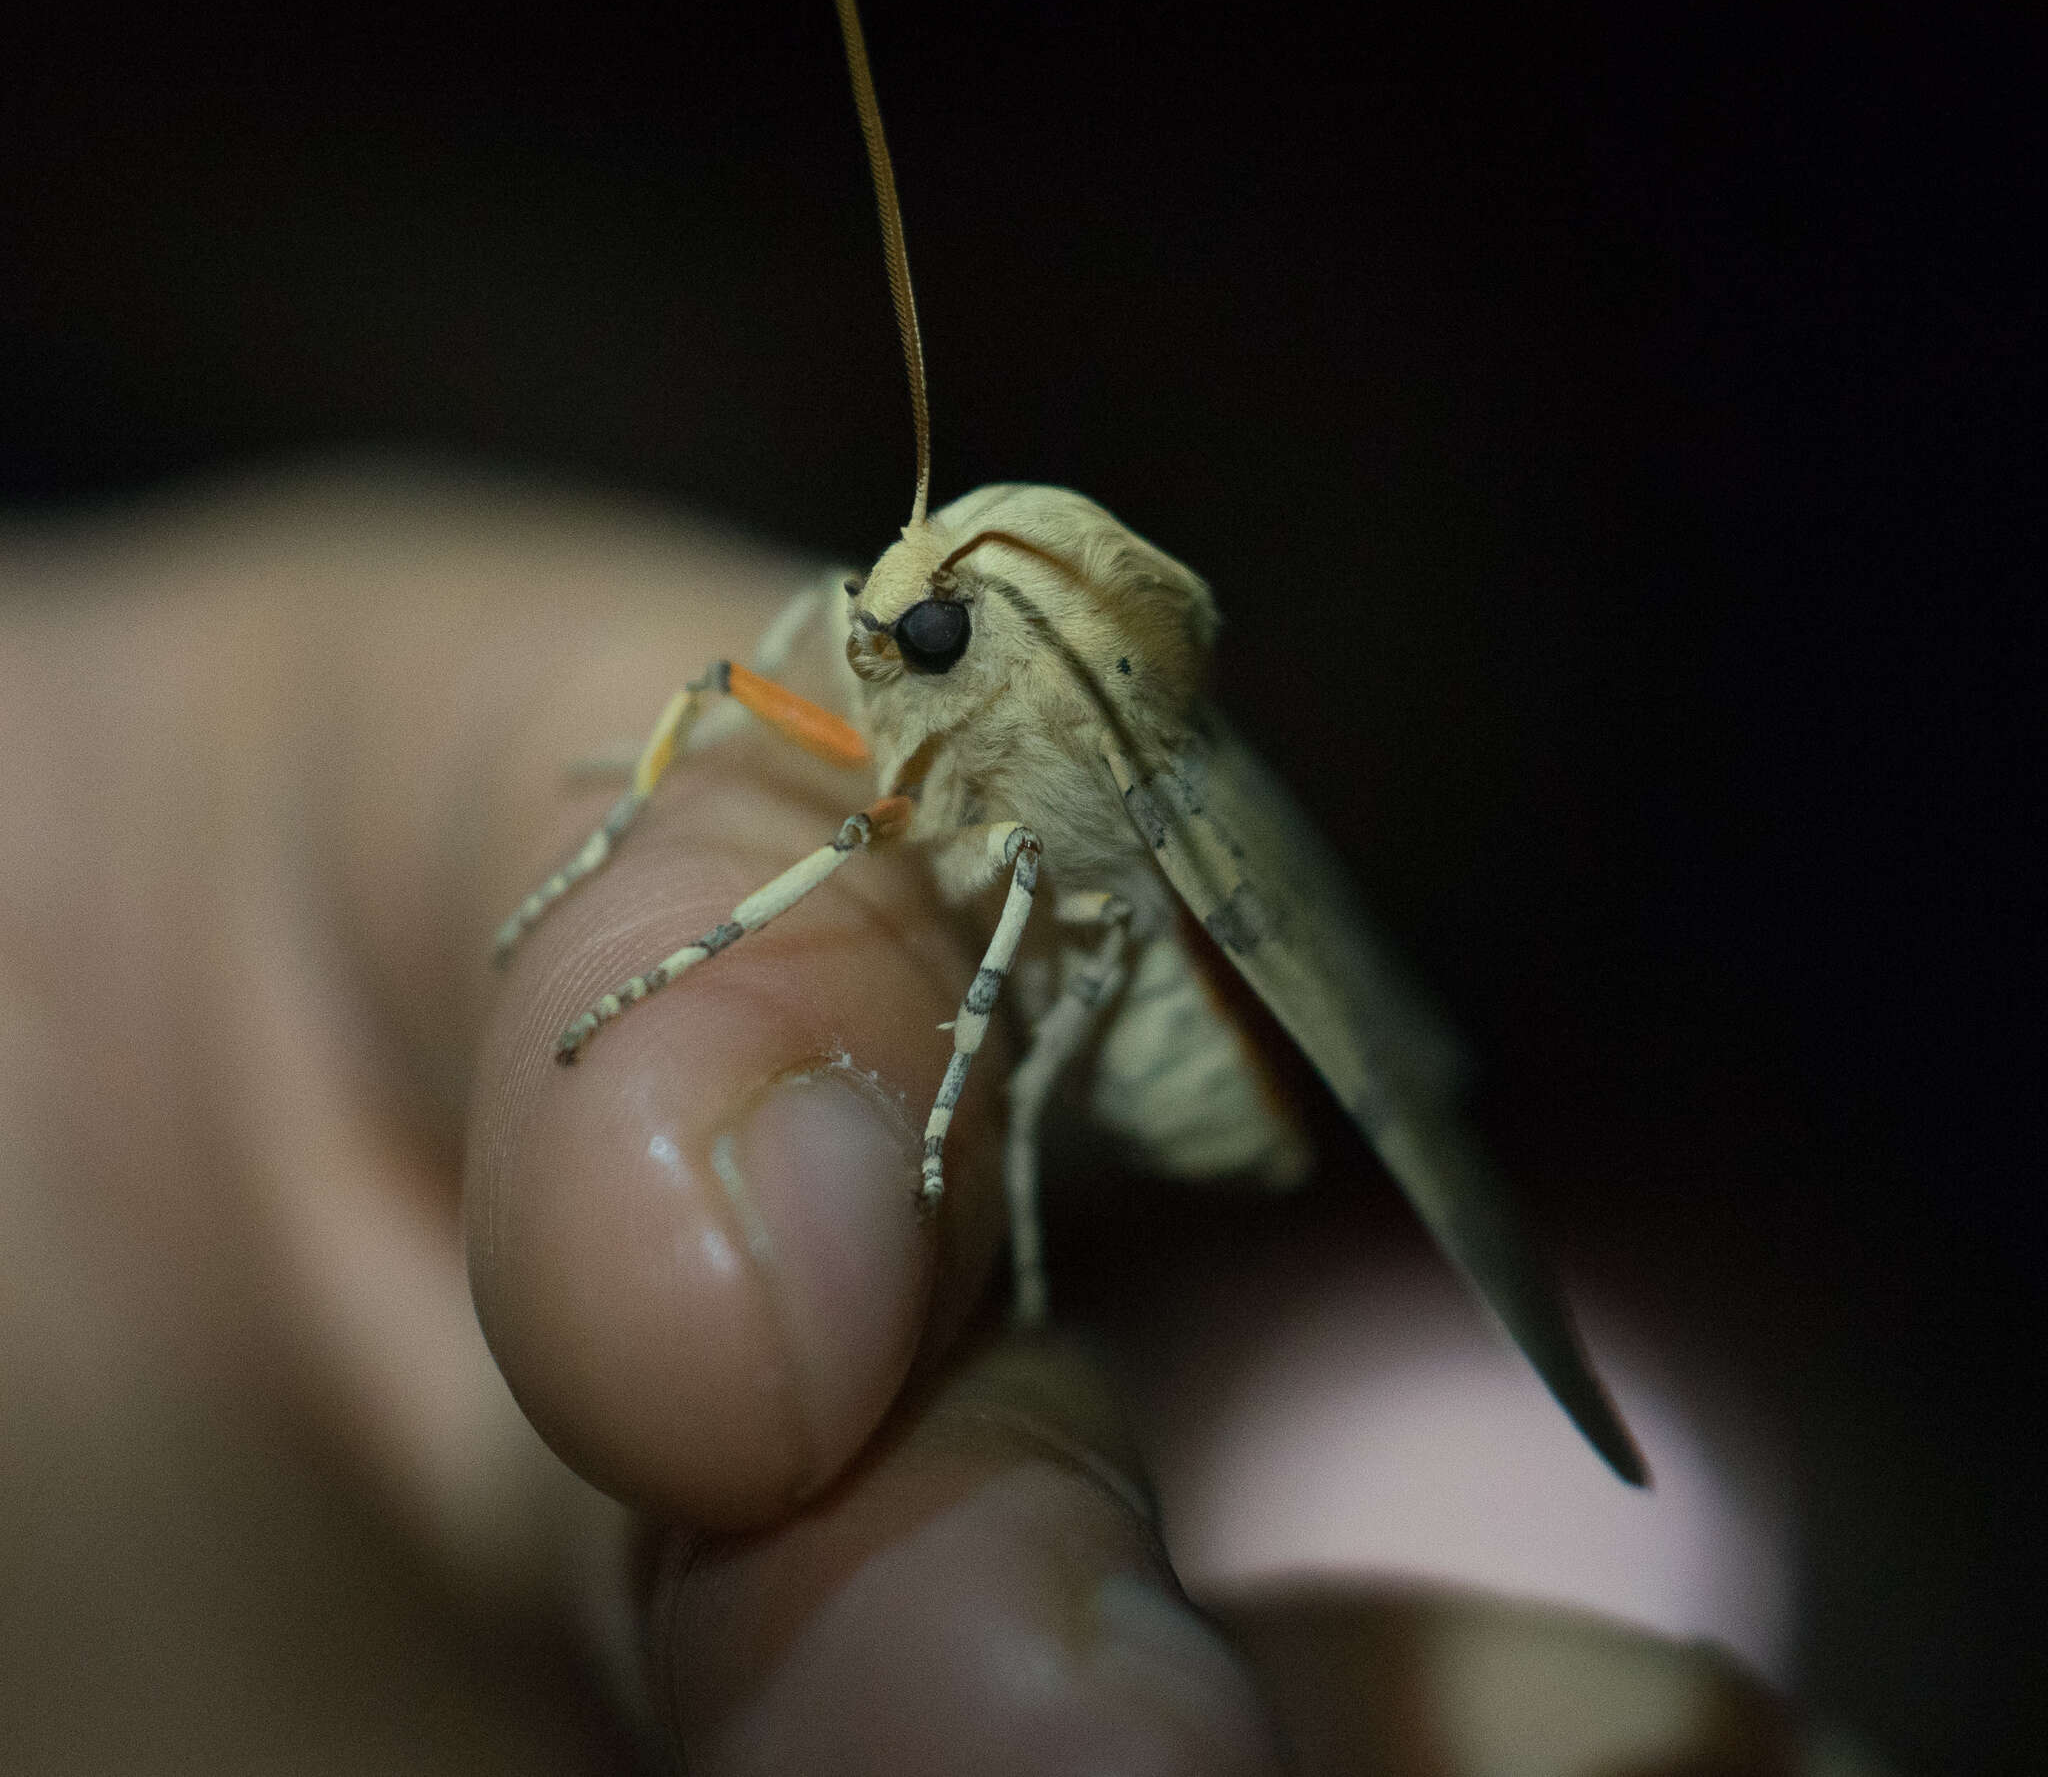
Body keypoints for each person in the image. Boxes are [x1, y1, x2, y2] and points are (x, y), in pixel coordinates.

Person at [0, 472, 1860, 1774]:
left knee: (932, 962)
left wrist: (957, 1104)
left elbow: (1010, 963)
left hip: (1182, 1028)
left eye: (929, 630)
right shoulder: (903, 649)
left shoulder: (1062, 754)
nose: (881, 640)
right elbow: (795, 646)